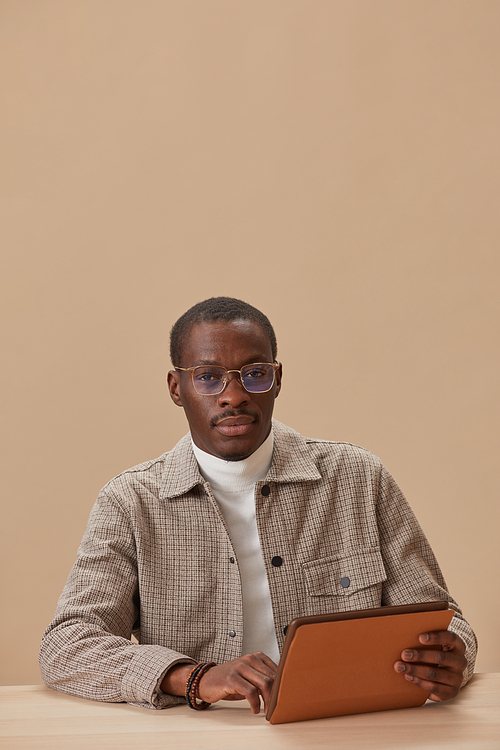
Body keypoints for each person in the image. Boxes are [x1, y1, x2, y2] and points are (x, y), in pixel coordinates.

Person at [39, 297, 476, 715]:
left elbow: (442, 619)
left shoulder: (359, 477)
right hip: (200, 731)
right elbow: (66, 645)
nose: (233, 396)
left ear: (278, 379)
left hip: (343, 726)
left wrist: (453, 656)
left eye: (254, 374)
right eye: (208, 376)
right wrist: (194, 678)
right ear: (177, 388)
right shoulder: (131, 501)